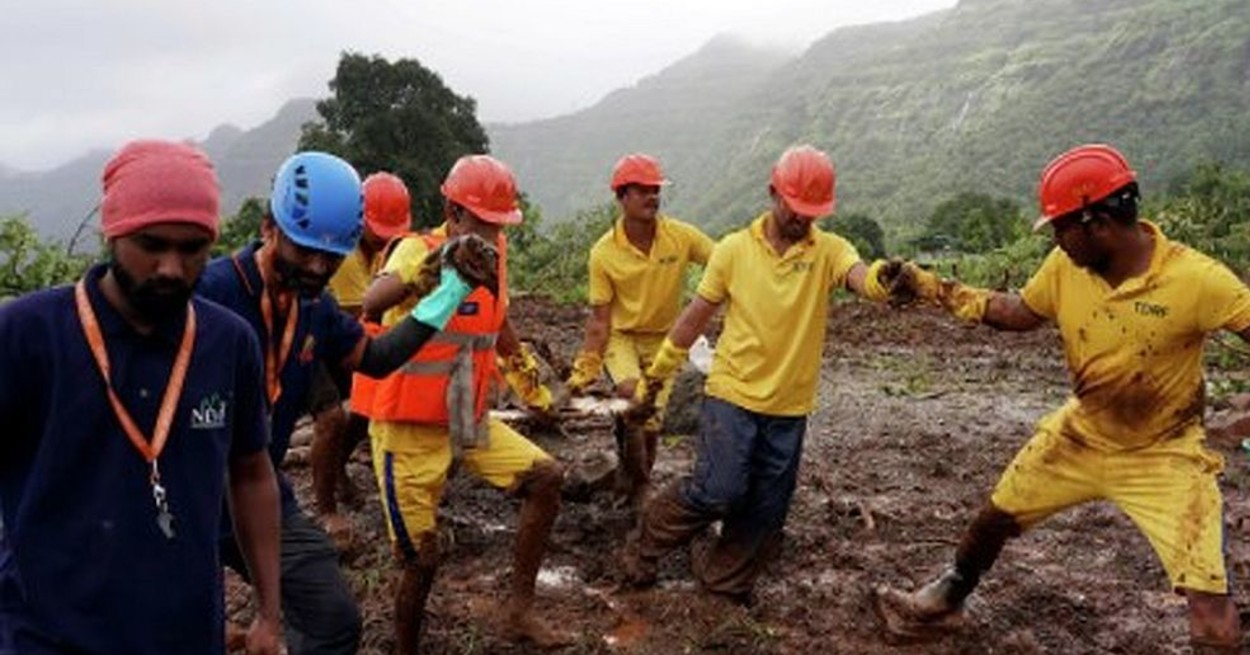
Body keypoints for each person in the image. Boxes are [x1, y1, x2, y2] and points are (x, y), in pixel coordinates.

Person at [869, 144, 1250, 653]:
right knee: (994, 518)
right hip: (1082, 435)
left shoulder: (1197, 280)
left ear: (1097, 222)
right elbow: (1017, 313)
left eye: (1060, 227)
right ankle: (946, 599)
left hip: (1164, 455)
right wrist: (929, 287)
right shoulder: (1065, 266)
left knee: (1208, 598)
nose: (1056, 240)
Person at [197, 151, 496, 655]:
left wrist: (447, 294)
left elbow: (374, 358)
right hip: (186, 497)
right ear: (269, 227)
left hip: (261, 490)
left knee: (332, 621)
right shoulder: (211, 294)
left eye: (331, 257)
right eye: (305, 250)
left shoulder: (313, 306)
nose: (317, 267)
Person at [0, 140, 282, 654]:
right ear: (114, 232)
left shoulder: (228, 342)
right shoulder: (26, 334)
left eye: (193, 248)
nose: (172, 267)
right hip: (45, 632)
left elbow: (250, 471)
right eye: (152, 245)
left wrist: (269, 612)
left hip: (185, 632)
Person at [618, 145, 900, 603]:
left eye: (812, 212)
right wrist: (656, 377)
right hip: (733, 394)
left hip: (789, 405)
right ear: (773, 193)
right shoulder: (733, 250)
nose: (802, 219)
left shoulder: (829, 250)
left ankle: (720, 576)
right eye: (795, 208)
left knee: (766, 510)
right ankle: (645, 544)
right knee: (717, 489)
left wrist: (886, 280)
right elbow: (695, 316)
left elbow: (860, 276)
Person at [361, 154, 571, 653]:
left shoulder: (492, 257)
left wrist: (532, 385)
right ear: (453, 212)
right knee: (421, 560)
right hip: (407, 430)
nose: (496, 236)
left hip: (465, 418)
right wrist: (427, 277)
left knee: (547, 478)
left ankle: (519, 611)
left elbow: (499, 325)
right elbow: (372, 301)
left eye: (502, 226)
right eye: (485, 223)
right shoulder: (417, 251)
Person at [565, 153, 714, 504]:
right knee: (635, 398)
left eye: (655, 189)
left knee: (650, 424)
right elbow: (600, 321)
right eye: (642, 190)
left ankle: (632, 476)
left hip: (665, 339)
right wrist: (582, 373)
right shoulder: (603, 253)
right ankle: (642, 485)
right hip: (622, 338)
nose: (652, 197)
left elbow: (724, 260)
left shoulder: (680, 236)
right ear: (621, 196)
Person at [309, 171, 414, 550]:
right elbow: (364, 314)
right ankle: (325, 508)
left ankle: (337, 469)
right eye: (378, 230)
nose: (384, 239)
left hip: (344, 338)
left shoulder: (384, 252)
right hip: (312, 338)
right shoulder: (349, 253)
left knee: (367, 408)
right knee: (332, 419)